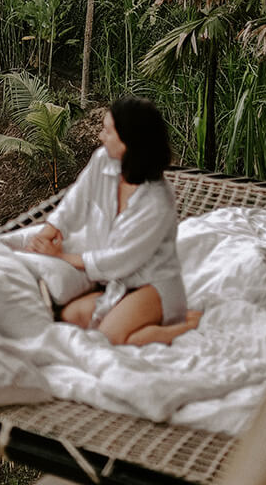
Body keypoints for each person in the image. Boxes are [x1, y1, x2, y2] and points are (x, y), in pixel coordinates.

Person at [27, 97, 202, 345]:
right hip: (117, 284)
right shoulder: (103, 160)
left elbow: (119, 259)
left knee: (108, 338)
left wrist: (60, 257)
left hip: (152, 284)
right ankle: (135, 321)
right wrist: (50, 230)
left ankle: (184, 325)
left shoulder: (157, 201)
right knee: (69, 317)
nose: (101, 136)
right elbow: (78, 198)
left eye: (108, 131)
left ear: (130, 142)